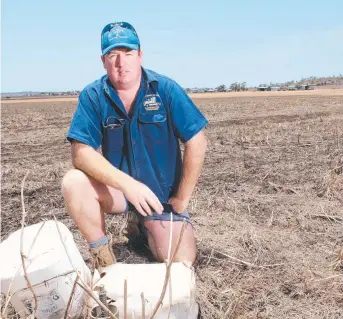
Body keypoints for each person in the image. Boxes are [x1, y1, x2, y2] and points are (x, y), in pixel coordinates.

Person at [61, 21, 208, 271]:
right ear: (103, 60)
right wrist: (128, 185)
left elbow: (197, 140)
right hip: (119, 192)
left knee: (181, 264)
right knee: (73, 182)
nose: (121, 62)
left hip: (160, 199)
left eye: (128, 53)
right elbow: (81, 153)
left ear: (140, 55)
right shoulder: (93, 95)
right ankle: (103, 259)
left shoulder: (165, 89)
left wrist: (182, 198)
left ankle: (144, 226)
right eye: (113, 55)